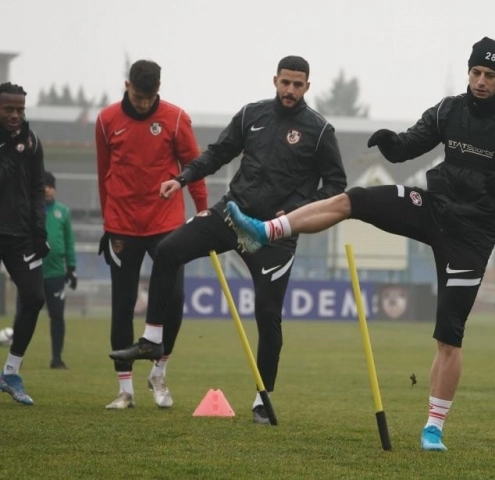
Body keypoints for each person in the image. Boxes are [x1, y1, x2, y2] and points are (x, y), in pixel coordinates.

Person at [223, 37, 495, 450]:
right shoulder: (449, 109)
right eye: (475, 72)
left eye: (489, 75)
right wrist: (390, 143)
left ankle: (433, 428)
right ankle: (266, 230)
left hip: (472, 236)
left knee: (449, 336)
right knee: (355, 199)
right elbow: (409, 146)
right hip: (432, 208)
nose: (480, 82)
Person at [108, 56, 347, 424]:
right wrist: (183, 178)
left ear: (307, 87)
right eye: (285, 82)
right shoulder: (252, 115)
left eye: (298, 85)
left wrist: (296, 213)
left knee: (268, 317)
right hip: (232, 215)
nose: (290, 90)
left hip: (275, 234)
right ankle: (153, 339)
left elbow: (335, 186)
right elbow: (218, 153)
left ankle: (261, 401)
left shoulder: (319, 130)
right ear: (275, 80)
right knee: (168, 251)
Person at [96, 60, 209, 409]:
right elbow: (104, 174)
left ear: (158, 89)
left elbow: (195, 167)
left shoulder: (176, 119)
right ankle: (125, 390)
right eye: (138, 96)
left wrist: (202, 211)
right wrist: (107, 222)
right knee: (123, 304)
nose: (144, 104)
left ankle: (159, 373)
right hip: (122, 226)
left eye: (150, 97)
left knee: (174, 301)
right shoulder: (106, 120)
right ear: (127, 85)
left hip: (166, 225)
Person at [0, 82, 48, 405]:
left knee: (34, 298)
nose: (16, 115)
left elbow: (37, 188)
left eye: (20, 110)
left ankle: (11, 371)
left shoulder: (31, 143)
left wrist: (40, 231)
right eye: (9, 109)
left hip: (21, 237)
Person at [14, 171, 77, 369]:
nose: (48, 189)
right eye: (45, 186)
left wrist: (72, 268)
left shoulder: (63, 212)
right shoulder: (29, 210)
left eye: (51, 186)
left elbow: (69, 241)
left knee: (57, 316)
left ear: (55, 189)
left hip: (56, 274)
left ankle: (56, 359)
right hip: (31, 272)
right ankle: (16, 359)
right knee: (22, 315)